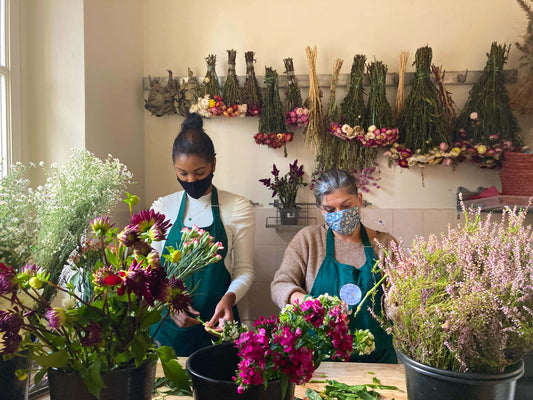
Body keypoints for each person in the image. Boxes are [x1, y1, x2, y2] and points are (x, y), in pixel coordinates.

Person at [150, 113, 255, 357]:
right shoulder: (163, 207)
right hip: (166, 326)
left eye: (199, 172)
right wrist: (170, 300)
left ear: (214, 165)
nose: (191, 180)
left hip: (218, 323)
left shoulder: (237, 207)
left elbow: (244, 269)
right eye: (182, 173)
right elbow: (151, 269)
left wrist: (230, 298)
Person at [271, 169, 397, 363]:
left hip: (377, 363)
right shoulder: (309, 241)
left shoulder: (385, 245)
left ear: (360, 200)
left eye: (347, 206)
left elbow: (401, 298)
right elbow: (280, 285)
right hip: (319, 363)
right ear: (321, 209)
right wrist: (313, 306)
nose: (340, 214)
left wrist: (398, 304)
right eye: (330, 210)